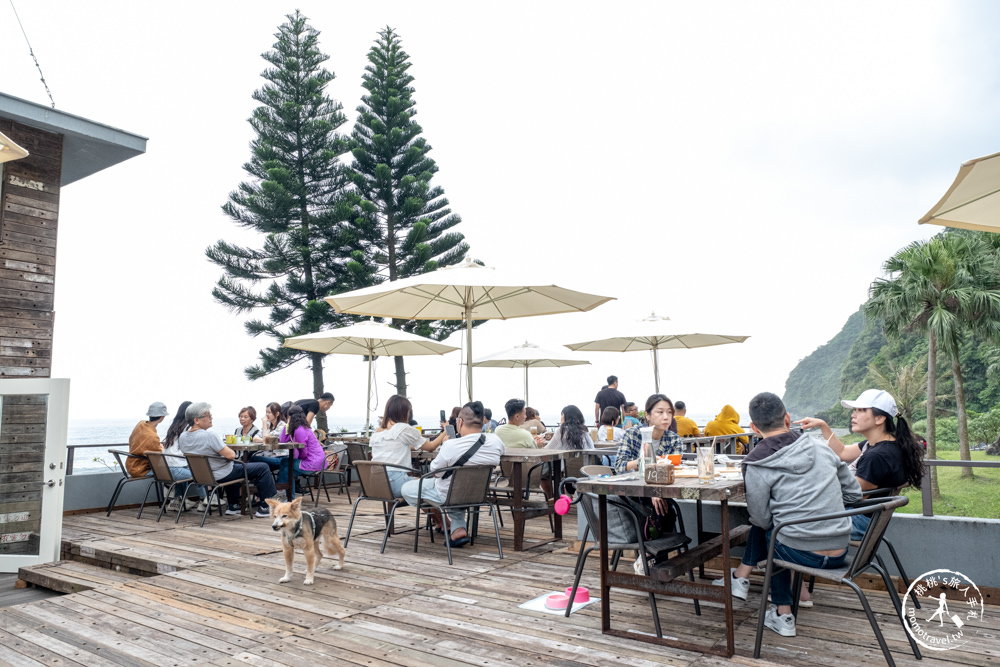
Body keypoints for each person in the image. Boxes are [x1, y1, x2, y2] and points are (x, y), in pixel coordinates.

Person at [713, 392, 861, 638]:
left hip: (800, 554)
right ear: (788, 418)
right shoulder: (822, 449)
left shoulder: (756, 463)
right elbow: (854, 495)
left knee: (772, 532)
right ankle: (742, 580)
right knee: (778, 530)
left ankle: (781, 613)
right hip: (841, 550)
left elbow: (760, 520)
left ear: (753, 427)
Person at [795, 389, 924, 541]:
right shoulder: (882, 445)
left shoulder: (877, 456)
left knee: (787, 524)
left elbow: (852, 496)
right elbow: (842, 452)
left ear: (880, 418)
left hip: (856, 521)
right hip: (865, 519)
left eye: (861, 410)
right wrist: (823, 426)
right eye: (855, 410)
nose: (853, 415)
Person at [400, 401, 504, 548]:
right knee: (455, 491)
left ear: (460, 422)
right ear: (482, 421)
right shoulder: (496, 441)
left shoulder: (451, 445)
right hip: (478, 494)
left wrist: (446, 445)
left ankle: (445, 523)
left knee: (407, 489)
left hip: (448, 495)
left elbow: (435, 473)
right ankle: (458, 529)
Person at [178, 402, 275, 517]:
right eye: (208, 416)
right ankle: (264, 507)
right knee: (262, 467)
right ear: (196, 420)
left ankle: (233, 505)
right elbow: (231, 455)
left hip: (201, 476)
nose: (211, 418)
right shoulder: (209, 435)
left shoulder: (183, 436)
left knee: (234, 466)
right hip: (221, 474)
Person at [370, 395, 448, 496]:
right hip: (395, 483)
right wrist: (445, 431)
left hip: (375, 484)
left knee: (422, 488)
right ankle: (441, 511)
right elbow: (431, 447)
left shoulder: (378, 431)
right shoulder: (404, 428)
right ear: (403, 412)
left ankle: (432, 511)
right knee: (437, 485)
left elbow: (395, 446)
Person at [614, 394, 682, 474]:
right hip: (634, 484)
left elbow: (675, 469)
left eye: (669, 412)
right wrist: (645, 461)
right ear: (647, 415)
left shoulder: (674, 439)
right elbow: (619, 466)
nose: (666, 417)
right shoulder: (632, 434)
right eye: (660, 412)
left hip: (664, 483)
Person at [159, 400, 205, 509]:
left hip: (164, 470)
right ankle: (205, 501)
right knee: (202, 475)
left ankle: (177, 500)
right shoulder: (189, 428)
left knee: (186, 467)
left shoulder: (173, 427)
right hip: (176, 469)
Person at [279, 405, 327, 486]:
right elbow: (282, 440)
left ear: (290, 417)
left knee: (285, 462)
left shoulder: (300, 430)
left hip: (313, 463)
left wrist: (299, 461)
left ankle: (282, 493)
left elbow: (304, 452)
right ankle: (288, 496)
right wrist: (287, 425)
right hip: (317, 462)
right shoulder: (300, 428)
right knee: (287, 470)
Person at [127, 402, 170, 479]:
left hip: (131, 464)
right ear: (162, 417)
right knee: (175, 471)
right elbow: (159, 457)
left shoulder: (141, 424)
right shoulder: (152, 436)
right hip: (140, 469)